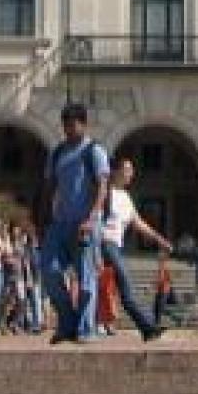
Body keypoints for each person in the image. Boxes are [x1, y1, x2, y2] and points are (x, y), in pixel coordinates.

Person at [35, 102, 109, 344]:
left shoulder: (94, 151)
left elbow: (102, 186)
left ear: (84, 124)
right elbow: (48, 187)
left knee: (87, 280)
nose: (68, 129)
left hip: (85, 223)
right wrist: (42, 221)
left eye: (72, 124)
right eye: (65, 124)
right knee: (50, 271)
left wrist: (92, 218)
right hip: (59, 224)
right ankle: (68, 321)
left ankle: (86, 329)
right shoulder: (57, 153)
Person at [100, 157, 171, 341]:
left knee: (124, 291)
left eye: (132, 169)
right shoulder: (105, 193)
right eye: (127, 169)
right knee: (126, 288)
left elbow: (138, 223)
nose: (131, 173)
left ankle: (147, 329)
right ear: (115, 172)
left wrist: (159, 239)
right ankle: (148, 327)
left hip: (115, 246)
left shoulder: (125, 196)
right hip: (104, 244)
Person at [153, 252, 182, 329]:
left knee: (158, 309)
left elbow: (160, 279)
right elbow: (169, 279)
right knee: (158, 308)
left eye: (159, 258)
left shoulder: (163, 267)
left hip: (163, 291)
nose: (157, 260)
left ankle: (157, 324)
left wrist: (151, 287)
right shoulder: (165, 267)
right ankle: (177, 318)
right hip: (164, 290)